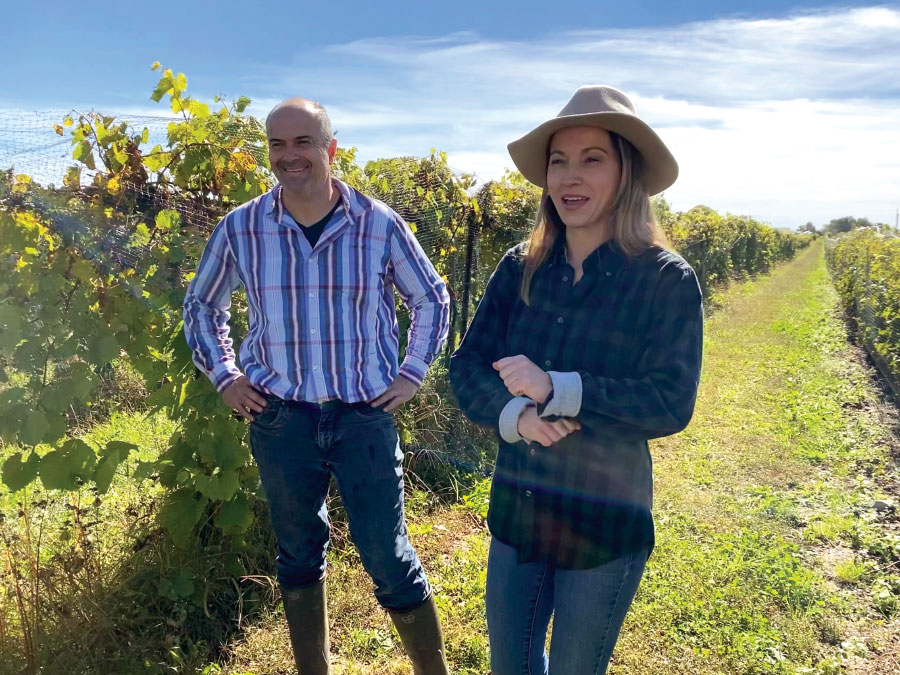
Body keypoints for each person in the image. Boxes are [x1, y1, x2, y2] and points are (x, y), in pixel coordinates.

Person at [184, 98, 451, 675]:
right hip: (281, 420)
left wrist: (411, 372)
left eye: (303, 142)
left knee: (387, 553)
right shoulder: (243, 227)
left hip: (363, 415)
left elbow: (431, 297)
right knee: (298, 553)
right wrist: (226, 376)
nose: (289, 155)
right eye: (277, 144)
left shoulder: (378, 224)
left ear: (330, 149)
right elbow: (201, 305)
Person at [449, 85, 703, 674]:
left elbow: (670, 401)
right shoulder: (521, 268)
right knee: (509, 665)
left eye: (592, 158)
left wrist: (559, 388)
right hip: (521, 510)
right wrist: (516, 419)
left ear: (626, 172)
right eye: (559, 160)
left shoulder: (664, 281)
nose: (570, 175)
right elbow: (467, 366)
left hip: (603, 525)